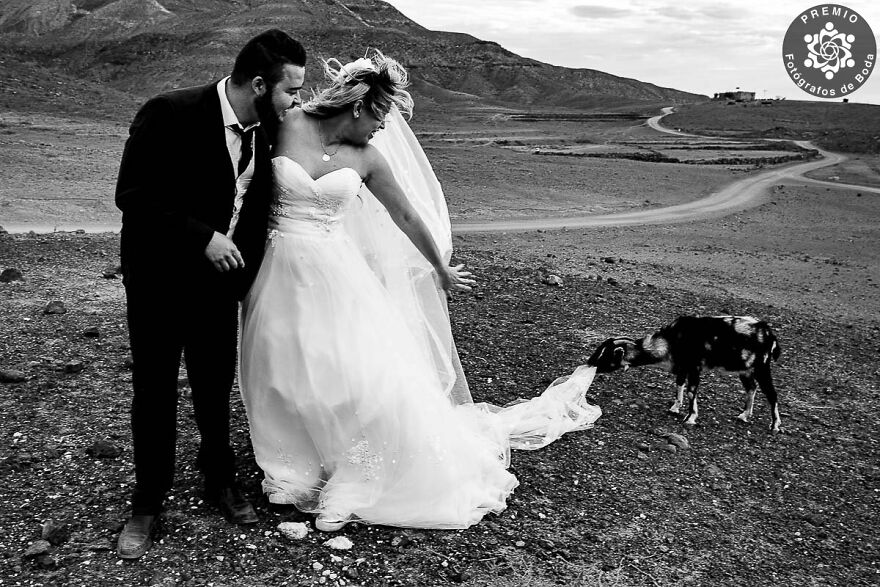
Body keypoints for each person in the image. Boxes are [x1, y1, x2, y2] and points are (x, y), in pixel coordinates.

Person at [239, 52, 601, 532]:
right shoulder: (285, 123)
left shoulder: (368, 158)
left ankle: (356, 466)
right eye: (379, 117)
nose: (381, 128)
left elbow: (407, 215)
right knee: (281, 364)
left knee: (351, 369)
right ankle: (293, 467)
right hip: (275, 270)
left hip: (335, 273)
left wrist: (441, 267)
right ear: (357, 108)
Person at [114, 29, 306, 559]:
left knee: (214, 386)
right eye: (292, 91)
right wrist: (203, 236)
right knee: (154, 391)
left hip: (218, 290)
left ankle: (219, 481)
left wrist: (244, 284)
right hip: (158, 282)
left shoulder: (267, 132)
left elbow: (257, 206)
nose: (297, 103)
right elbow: (132, 195)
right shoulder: (170, 112)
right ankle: (148, 501)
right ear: (261, 84)